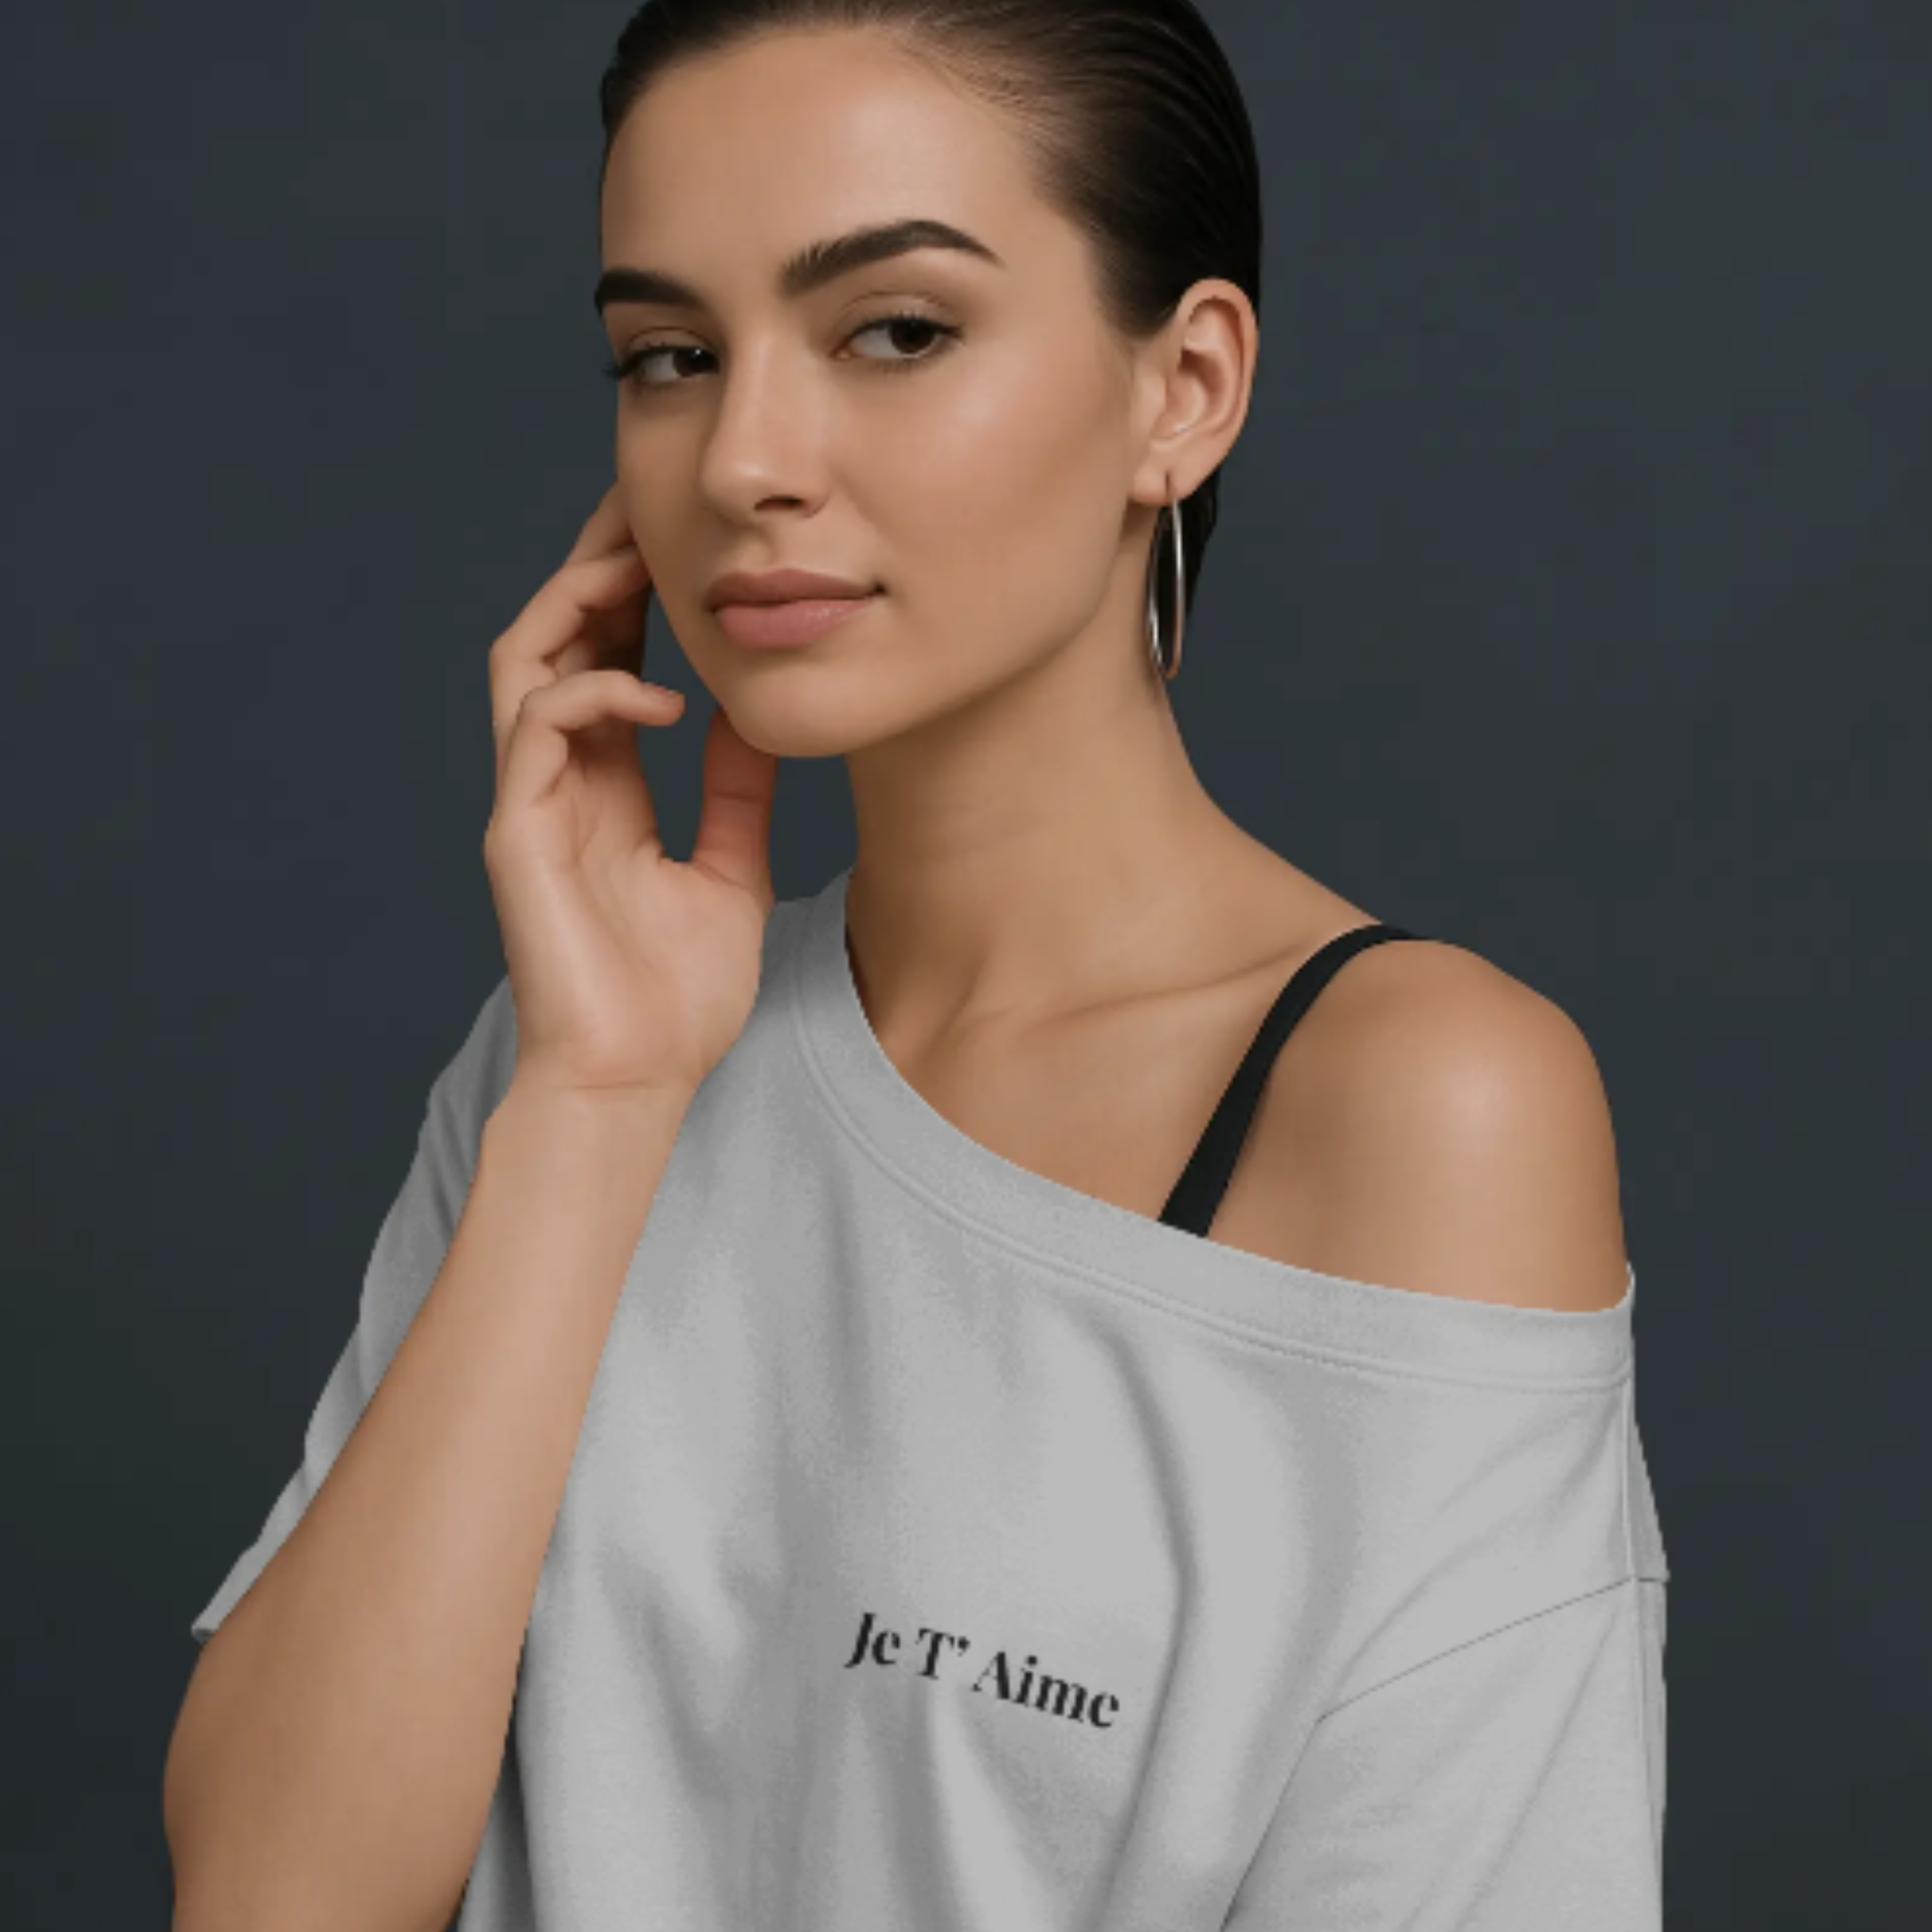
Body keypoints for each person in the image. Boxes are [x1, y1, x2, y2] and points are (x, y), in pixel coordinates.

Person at [162, 3, 1669, 1927]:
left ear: (1183, 387)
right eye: (669, 356)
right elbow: (270, 1895)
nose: (743, 458)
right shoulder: (581, 1059)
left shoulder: (1413, 1099)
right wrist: (596, 1097)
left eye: (892, 330)